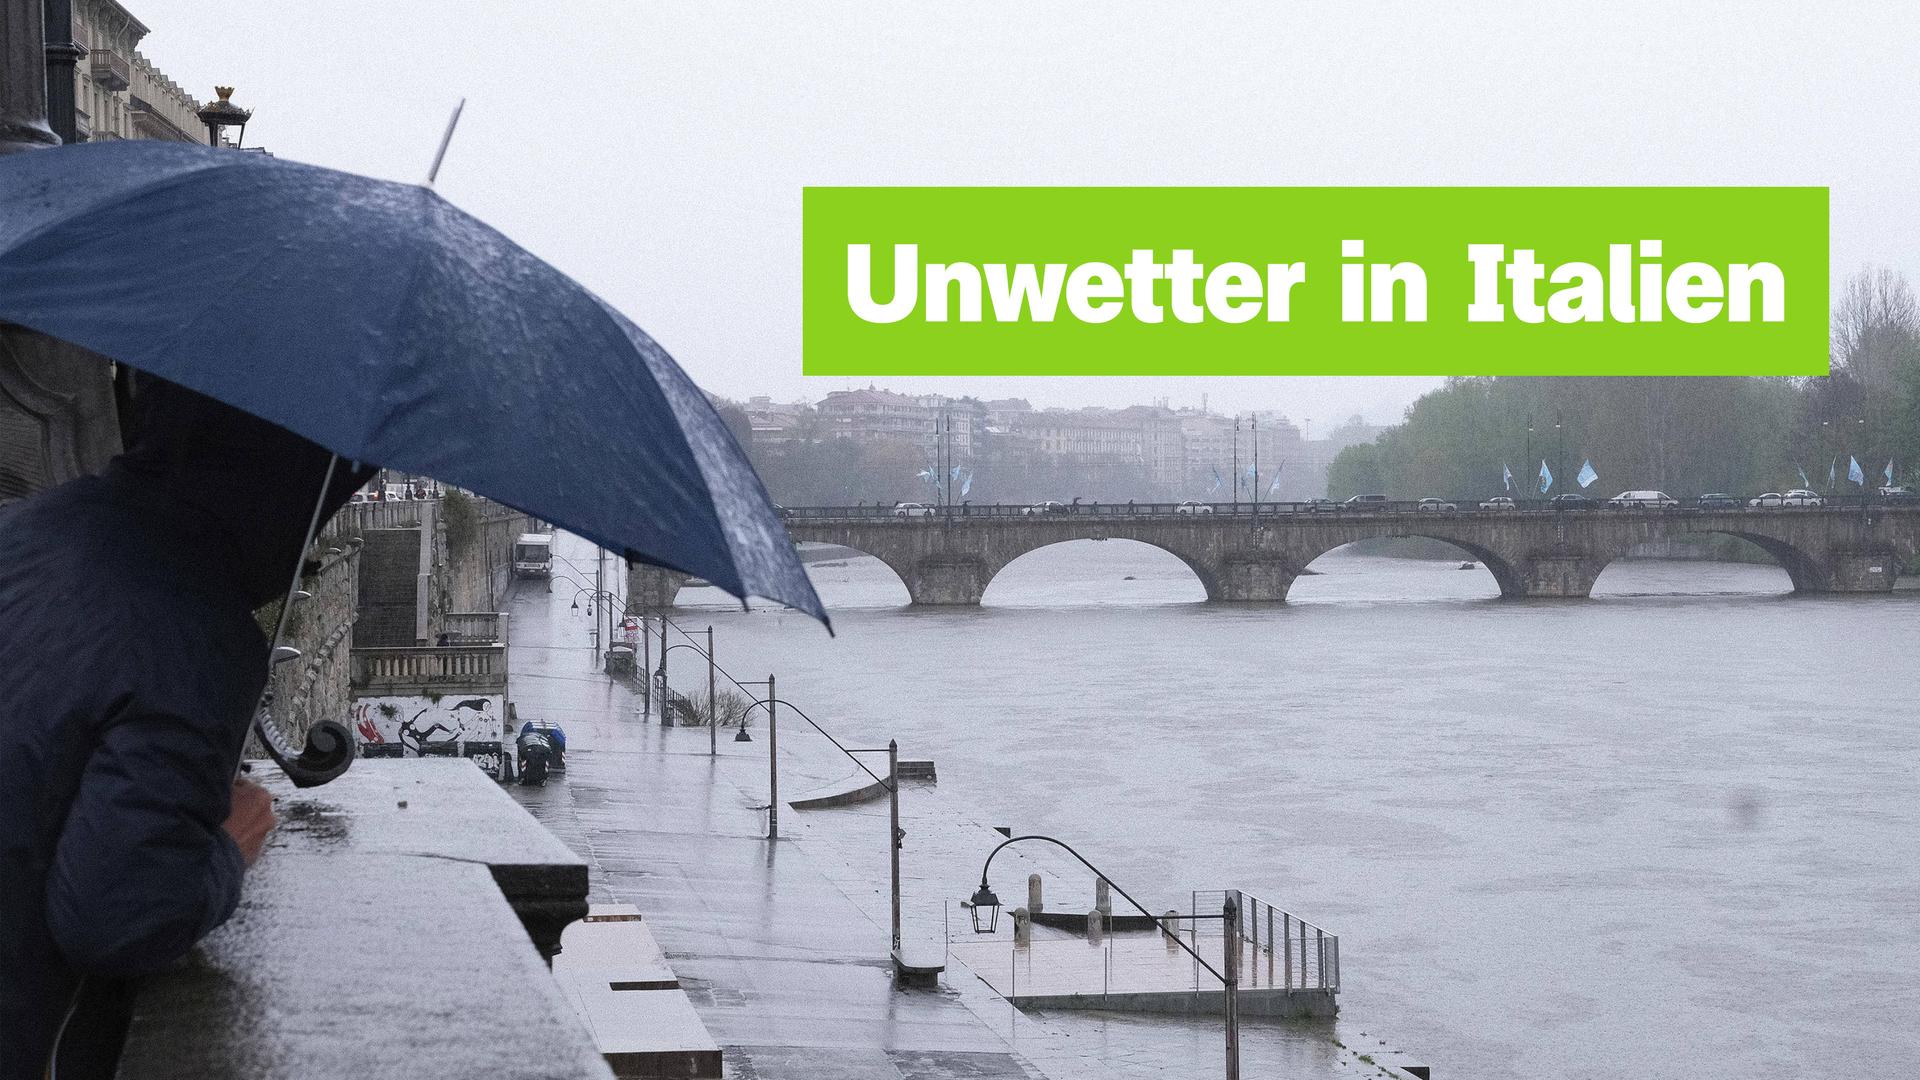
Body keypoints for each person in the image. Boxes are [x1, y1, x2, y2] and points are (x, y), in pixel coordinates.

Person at [0, 377, 372, 1077]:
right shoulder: (195, 630)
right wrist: (227, 849)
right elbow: (113, 916)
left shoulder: (24, 529)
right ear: (285, 491)